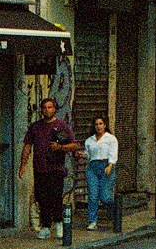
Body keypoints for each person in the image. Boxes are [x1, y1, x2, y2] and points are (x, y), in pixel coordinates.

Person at [19, 96, 78, 239]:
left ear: (55, 109)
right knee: (42, 197)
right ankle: (45, 226)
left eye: (50, 107)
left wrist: (60, 147)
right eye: (44, 108)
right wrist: (22, 165)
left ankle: (58, 224)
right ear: (41, 110)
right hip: (40, 168)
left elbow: (74, 145)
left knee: (55, 197)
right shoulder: (35, 127)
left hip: (56, 168)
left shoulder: (62, 126)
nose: (47, 110)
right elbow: (27, 146)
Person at [83, 117, 118, 231]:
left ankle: (114, 210)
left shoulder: (111, 139)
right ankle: (92, 220)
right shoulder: (89, 140)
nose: (98, 126)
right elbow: (88, 154)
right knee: (93, 196)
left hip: (106, 166)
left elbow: (113, 153)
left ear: (105, 125)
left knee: (105, 197)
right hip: (92, 168)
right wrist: (82, 155)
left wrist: (110, 165)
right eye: (96, 124)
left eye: (100, 124)